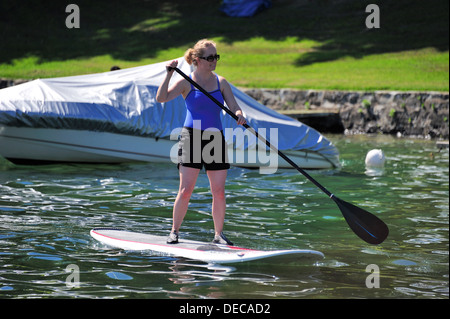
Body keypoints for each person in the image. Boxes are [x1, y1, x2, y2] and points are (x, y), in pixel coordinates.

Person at [156, 39, 246, 245]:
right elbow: (161, 98)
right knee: (186, 190)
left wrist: (239, 115)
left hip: (215, 139)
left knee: (219, 191)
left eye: (216, 56)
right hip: (191, 138)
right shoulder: (186, 81)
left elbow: (234, 106)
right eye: (210, 57)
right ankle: (174, 231)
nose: (214, 61)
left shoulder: (221, 82)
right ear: (197, 60)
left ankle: (218, 235)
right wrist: (169, 73)